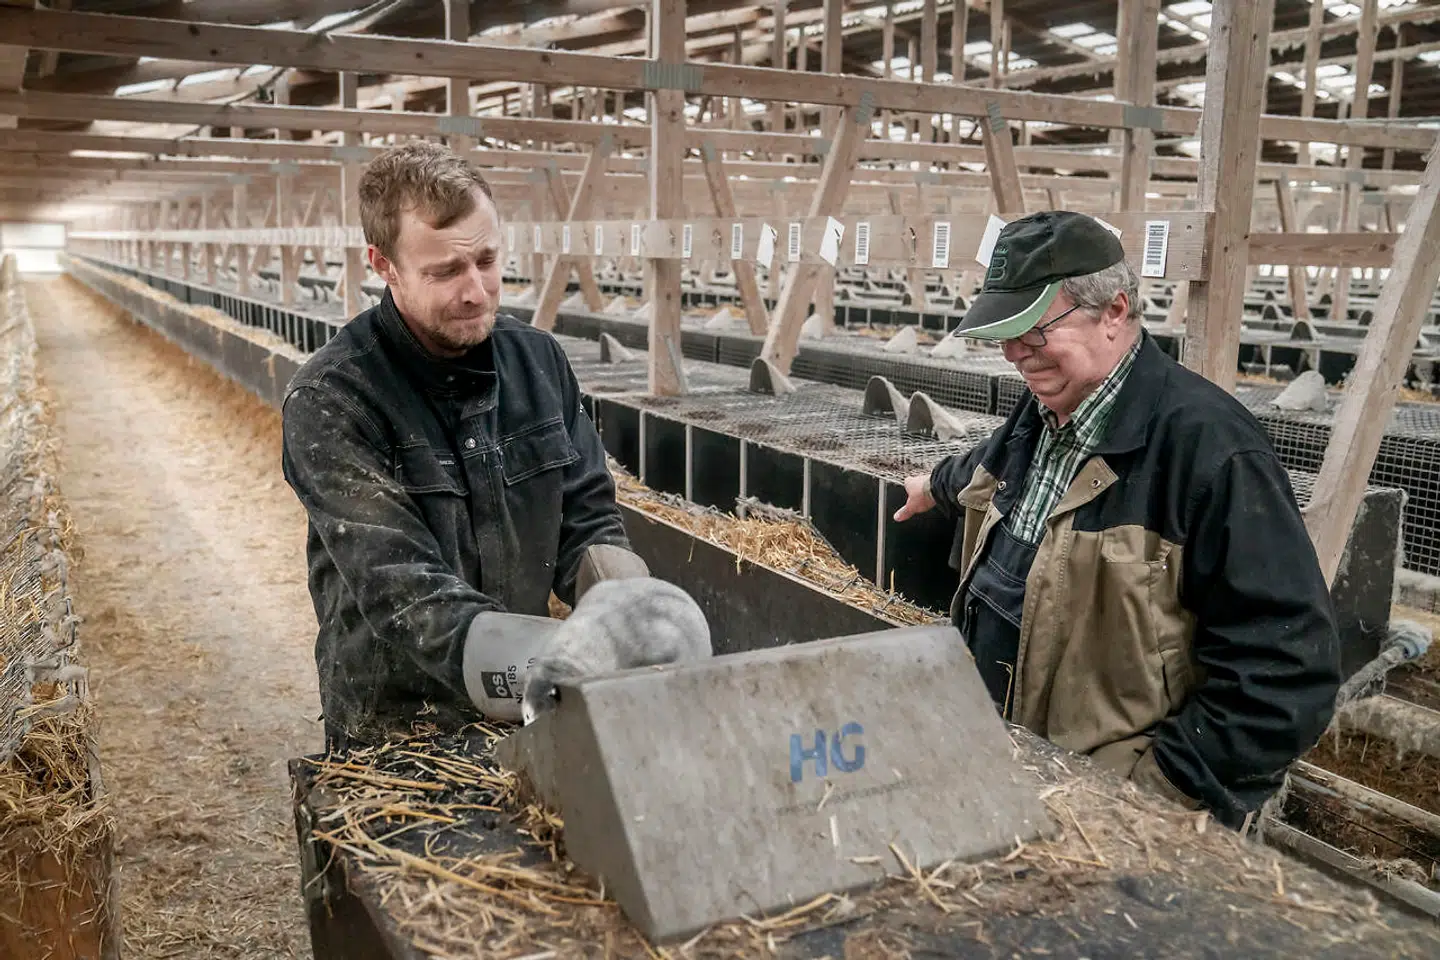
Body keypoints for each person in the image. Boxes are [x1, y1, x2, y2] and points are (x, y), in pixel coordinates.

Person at [894, 211, 1341, 828]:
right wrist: (934, 486)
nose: (1015, 353)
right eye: (1004, 331)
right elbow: (988, 464)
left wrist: (1149, 793)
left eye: (1032, 328)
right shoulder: (1047, 409)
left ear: (1114, 310)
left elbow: (1286, 672)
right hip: (1007, 766)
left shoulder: (1212, 454)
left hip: (1102, 809)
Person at [281, 141, 684, 751]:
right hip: (401, 728)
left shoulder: (539, 361)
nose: (476, 291)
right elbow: (402, 585)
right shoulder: (333, 398)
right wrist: (561, 660)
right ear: (383, 265)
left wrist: (628, 610)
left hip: (525, 698)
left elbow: (588, 515)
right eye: (444, 271)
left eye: (488, 260)